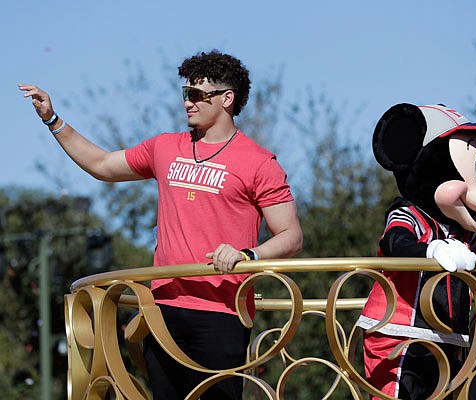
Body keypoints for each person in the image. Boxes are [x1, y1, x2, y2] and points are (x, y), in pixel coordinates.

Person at [19, 49, 303, 400]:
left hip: (220, 313)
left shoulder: (259, 162)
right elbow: (103, 165)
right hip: (161, 311)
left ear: (227, 99)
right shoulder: (165, 148)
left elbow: (291, 236)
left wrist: (248, 254)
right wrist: (53, 120)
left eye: (198, 95)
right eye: (186, 94)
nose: (188, 103)